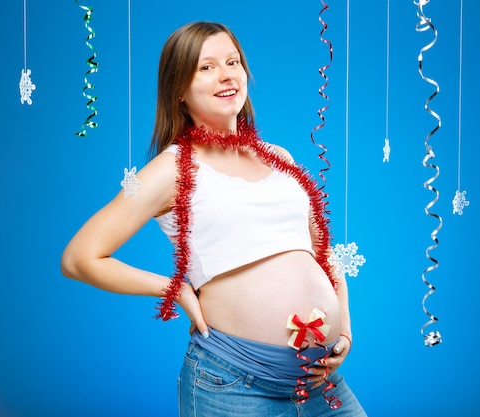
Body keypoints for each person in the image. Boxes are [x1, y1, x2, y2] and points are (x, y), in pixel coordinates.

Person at [61, 21, 367, 416]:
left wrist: (343, 326)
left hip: (319, 381)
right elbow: (79, 258)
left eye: (232, 62)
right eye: (206, 67)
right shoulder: (170, 169)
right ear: (179, 90)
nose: (225, 75)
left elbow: (322, 252)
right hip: (234, 384)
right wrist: (176, 290)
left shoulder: (280, 158)